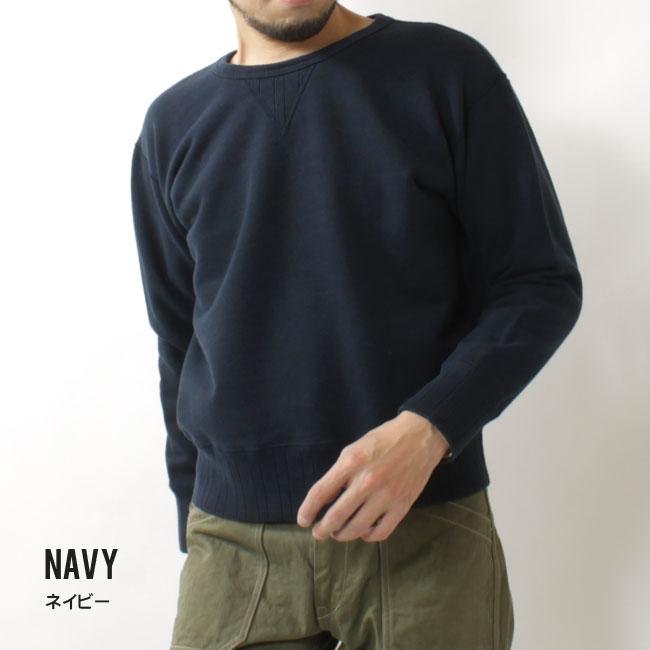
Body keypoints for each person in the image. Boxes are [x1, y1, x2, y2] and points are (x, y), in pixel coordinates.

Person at [130, 2, 582, 648]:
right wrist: (193, 519)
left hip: (425, 529)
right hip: (232, 549)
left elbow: (539, 284)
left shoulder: (447, 72)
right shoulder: (172, 126)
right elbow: (178, 338)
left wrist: (429, 429)